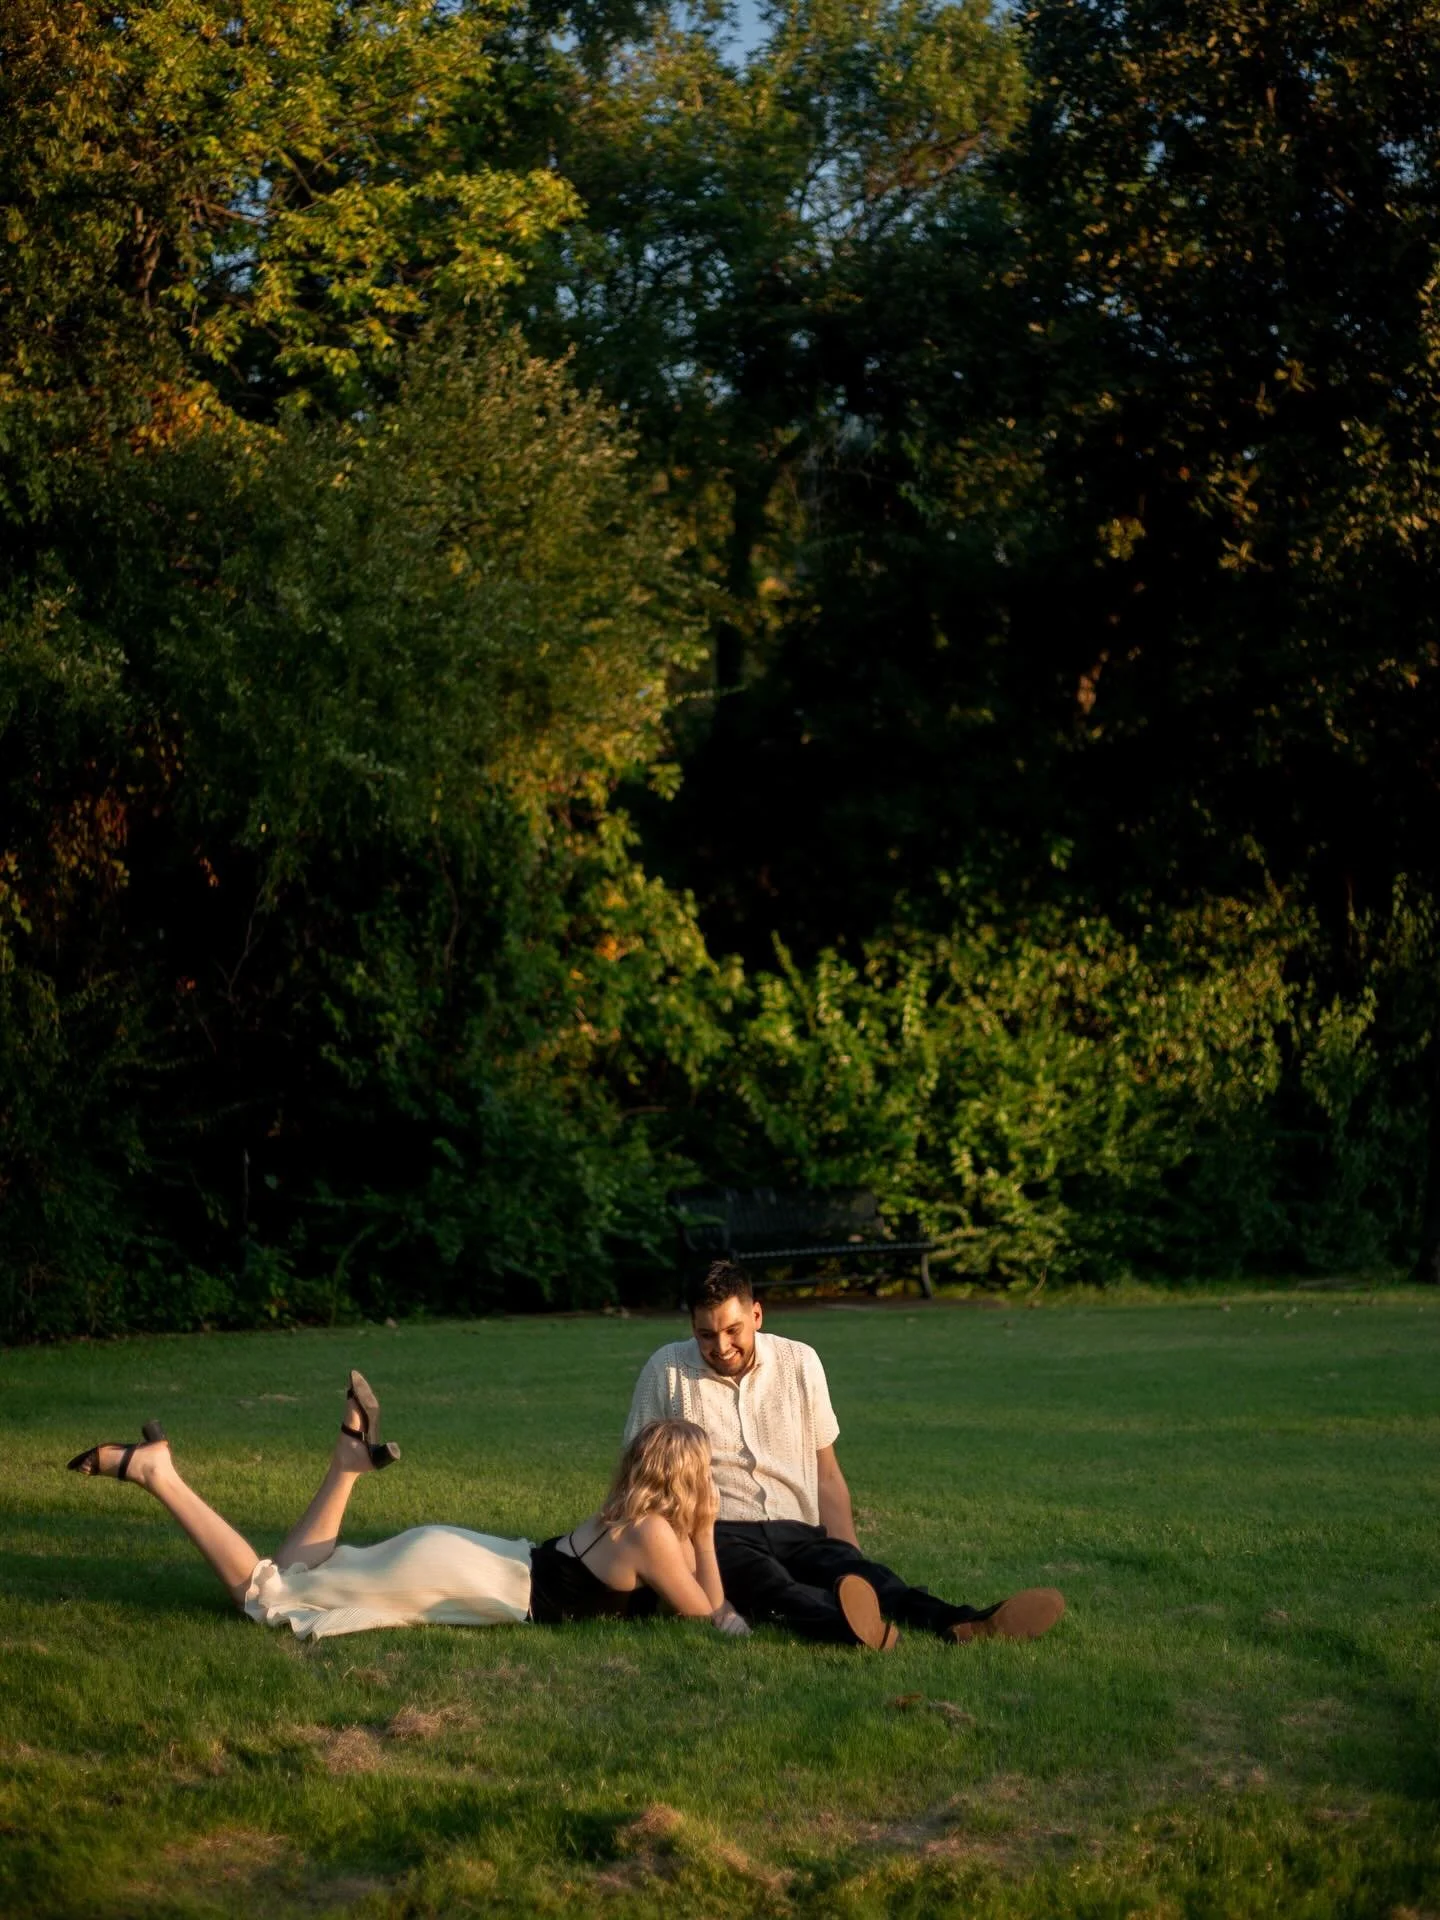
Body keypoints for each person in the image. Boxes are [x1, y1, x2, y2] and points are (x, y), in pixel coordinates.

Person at [68, 1370, 750, 1641]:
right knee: (266, 1592)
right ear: (688, 1483)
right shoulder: (657, 1536)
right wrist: (709, 1527)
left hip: (474, 1559)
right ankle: (159, 1476)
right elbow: (708, 1618)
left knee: (309, 1574)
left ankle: (347, 1464)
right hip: (468, 1574)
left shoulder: (628, 1521)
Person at [623, 1262, 1066, 1651]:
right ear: (692, 1327)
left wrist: (850, 1560)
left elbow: (827, 1473)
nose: (720, 1347)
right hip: (720, 1532)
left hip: (799, 1529)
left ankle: (965, 1623)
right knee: (774, 1587)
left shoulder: (801, 1362)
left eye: (732, 1330)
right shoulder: (667, 1370)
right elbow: (638, 1476)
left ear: (756, 1314)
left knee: (875, 1578)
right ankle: (850, 1628)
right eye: (705, 1334)